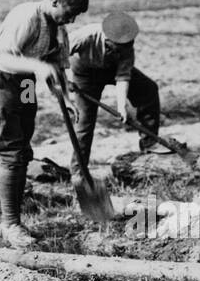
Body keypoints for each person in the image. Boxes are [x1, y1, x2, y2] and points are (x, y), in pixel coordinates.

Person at [0, 0, 89, 249]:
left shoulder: (59, 28)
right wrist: (38, 67)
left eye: (75, 16)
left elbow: (57, 67)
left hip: (26, 85)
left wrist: (65, 99)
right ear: (54, 2)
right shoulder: (26, 15)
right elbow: (2, 57)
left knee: (24, 152)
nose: (72, 20)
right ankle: (10, 224)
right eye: (69, 13)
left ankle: (14, 216)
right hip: (2, 82)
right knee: (11, 153)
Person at [65, 11, 164, 181]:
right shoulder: (84, 36)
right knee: (85, 122)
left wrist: (121, 106)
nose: (125, 49)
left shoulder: (126, 45)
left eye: (128, 45)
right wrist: (64, 81)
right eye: (120, 47)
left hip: (110, 70)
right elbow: (57, 57)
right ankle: (78, 171)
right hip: (85, 74)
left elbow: (123, 76)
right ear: (108, 40)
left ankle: (149, 143)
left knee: (148, 89)